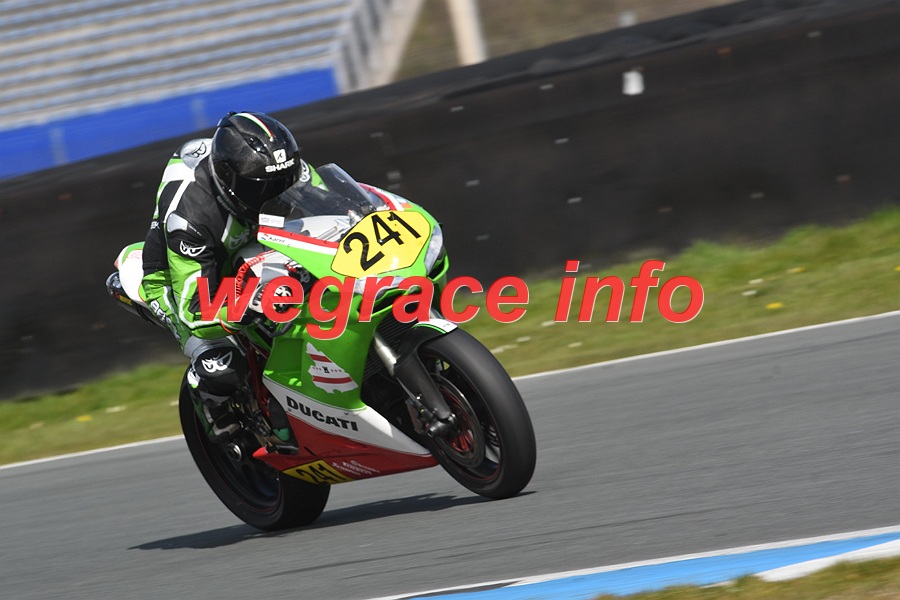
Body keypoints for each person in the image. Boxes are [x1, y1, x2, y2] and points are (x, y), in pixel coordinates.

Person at [139, 111, 319, 440]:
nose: (276, 196)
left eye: (283, 184)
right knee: (222, 364)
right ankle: (213, 406)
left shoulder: (276, 169)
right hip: (178, 279)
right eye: (262, 190)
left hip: (248, 245)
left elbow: (331, 202)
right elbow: (195, 309)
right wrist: (248, 306)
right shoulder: (191, 219)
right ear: (229, 183)